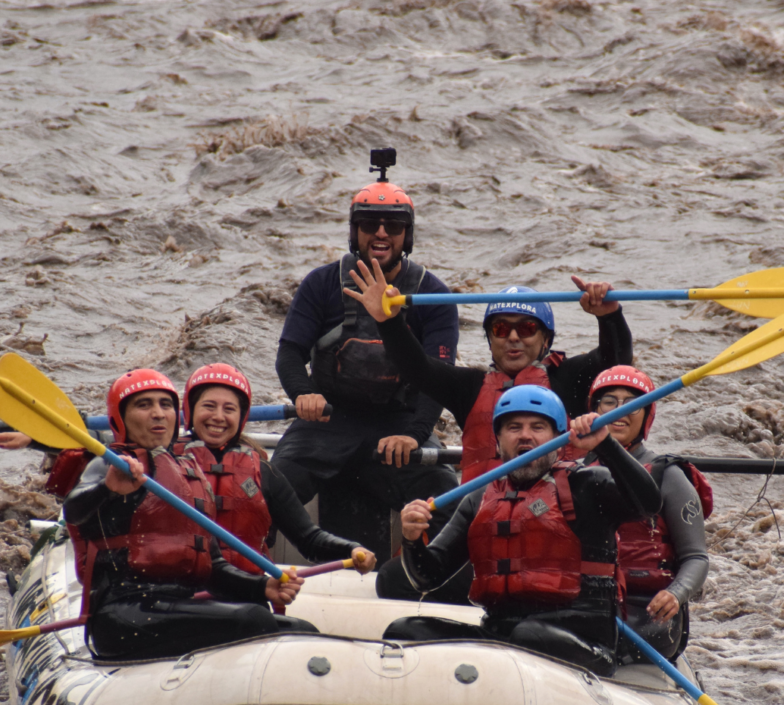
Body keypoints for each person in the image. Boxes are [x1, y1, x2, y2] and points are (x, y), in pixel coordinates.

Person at [342, 261, 634, 603]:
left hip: (552, 542)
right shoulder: (469, 387)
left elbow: (616, 363)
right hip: (488, 533)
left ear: (545, 340)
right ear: (490, 339)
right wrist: (388, 321)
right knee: (394, 580)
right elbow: (417, 368)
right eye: (500, 328)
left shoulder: (569, 381)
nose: (513, 337)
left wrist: (609, 316)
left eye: (527, 328)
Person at [384, 386, 662, 677]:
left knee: (528, 634)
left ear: (557, 440)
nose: (525, 435)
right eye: (514, 427)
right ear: (499, 441)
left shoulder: (588, 484)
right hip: (499, 633)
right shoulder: (480, 498)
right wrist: (412, 539)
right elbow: (427, 578)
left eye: (537, 427)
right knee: (406, 629)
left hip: (582, 640)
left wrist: (606, 445)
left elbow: (649, 504)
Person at [63, 369, 316, 662]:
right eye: (144, 405)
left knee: (302, 630)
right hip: (125, 612)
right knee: (252, 618)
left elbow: (214, 567)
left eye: (165, 404)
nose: (158, 414)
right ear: (119, 419)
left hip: (176, 605)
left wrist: (263, 586)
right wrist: (107, 489)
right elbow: (74, 510)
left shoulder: (187, 472)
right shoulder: (108, 465)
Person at [270, 163, 460, 548]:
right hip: (328, 420)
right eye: (370, 223)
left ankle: (428, 575)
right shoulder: (320, 284)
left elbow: (438, 379)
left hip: (399, 423)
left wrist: (414, 436)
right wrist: (303, 393)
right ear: (355, 231)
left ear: (407, 235)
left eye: (394, 225)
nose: (381, 233)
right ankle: (251, 569)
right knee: (268, 490)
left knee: (445, 498)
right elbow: (289, 352)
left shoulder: (434, 296)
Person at [178, 363, 377, 574]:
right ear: (190, 410)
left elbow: (309, 539)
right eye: (209, 406)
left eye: (229, 409)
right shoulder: (167, 463)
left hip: (247, 589)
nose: (218, 416)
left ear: (241, 416)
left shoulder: (264, 473)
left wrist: (351, 549)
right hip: (181, 586)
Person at [584, 366, 711, 661]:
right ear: (595, 409)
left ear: (646, 415)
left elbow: (696, 557)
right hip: (590, 604)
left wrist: (676, 594)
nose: (619, 411)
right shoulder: (576, 473)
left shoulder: (669, 476)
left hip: (647, 610)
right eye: (609, 401)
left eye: (632, 404)